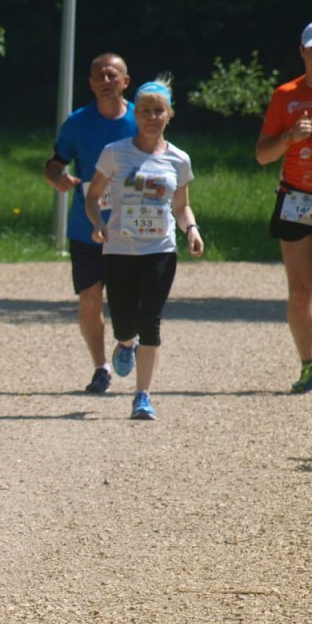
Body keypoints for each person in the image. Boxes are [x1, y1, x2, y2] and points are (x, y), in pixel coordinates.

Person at [85, 75, 204, 421]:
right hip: (119, 250)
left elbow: (181, 206)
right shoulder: (115, 152)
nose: (152, 117)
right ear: (135, 114)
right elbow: (93, 196)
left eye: (158, 111)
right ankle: (126, 343)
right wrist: (98, 223)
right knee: (124, 323)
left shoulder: (179, 159)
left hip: (160, 249)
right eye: (145, 111)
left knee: (150, 320)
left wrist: (191, 229)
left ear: (169, 114)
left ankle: (143, 396)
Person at [255, 20, 312, 393]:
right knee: (300, 291)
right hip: (296, 200)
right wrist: (290, 138)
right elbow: (263, 155)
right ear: (302, 53)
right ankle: (308, 366)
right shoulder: (286, 96)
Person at [44, 53, 138, 395]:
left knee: (129, 300)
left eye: (112, 75)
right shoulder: (77, 123)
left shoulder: (141, 119)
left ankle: (127, 342)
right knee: (89, 298)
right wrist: (58, 178)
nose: (106, 80)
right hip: (87, 227)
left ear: (126, 81)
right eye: (99, 75)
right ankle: (101, 368)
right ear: (90, 83)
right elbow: (55, 164)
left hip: (134, 228)